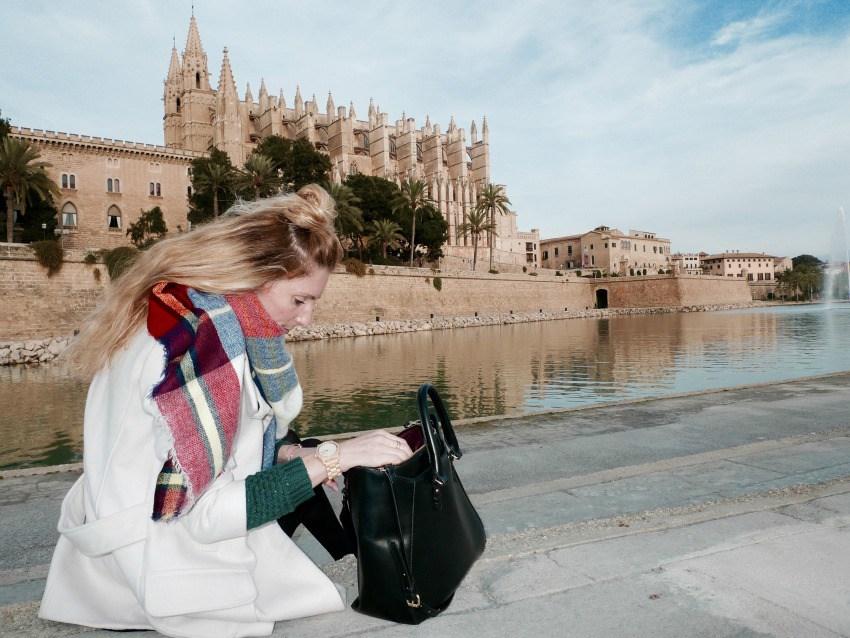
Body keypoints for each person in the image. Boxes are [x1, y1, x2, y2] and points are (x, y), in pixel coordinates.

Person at [39, 185, 413, 637]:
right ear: (255, 276)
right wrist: (336, 457)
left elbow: (221, 445)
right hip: (159, 570)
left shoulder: (172, 312)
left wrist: (291, 456)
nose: (307, 319)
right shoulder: (207, 350)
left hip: (103, 561)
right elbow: (206, 515)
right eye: (300, 300)